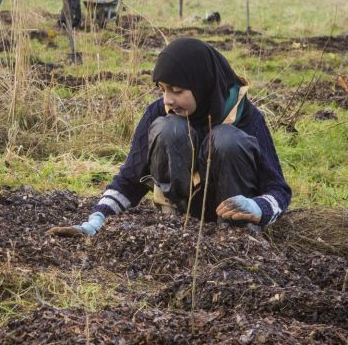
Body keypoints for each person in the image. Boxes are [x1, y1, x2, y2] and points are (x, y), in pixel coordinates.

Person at [49, 37, 291, 239]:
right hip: (177, 229)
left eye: (177, 91)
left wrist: (258, 208)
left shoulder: (247, 117)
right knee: (169, 129)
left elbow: (278, 188)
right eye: (163, 89)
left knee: (226, 139)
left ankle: (236, 234)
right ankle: (172, 220)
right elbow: (130, 178)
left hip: (235, 225)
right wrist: (98, 218)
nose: (167, 100)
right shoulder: (158, 112)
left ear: (203, 86)